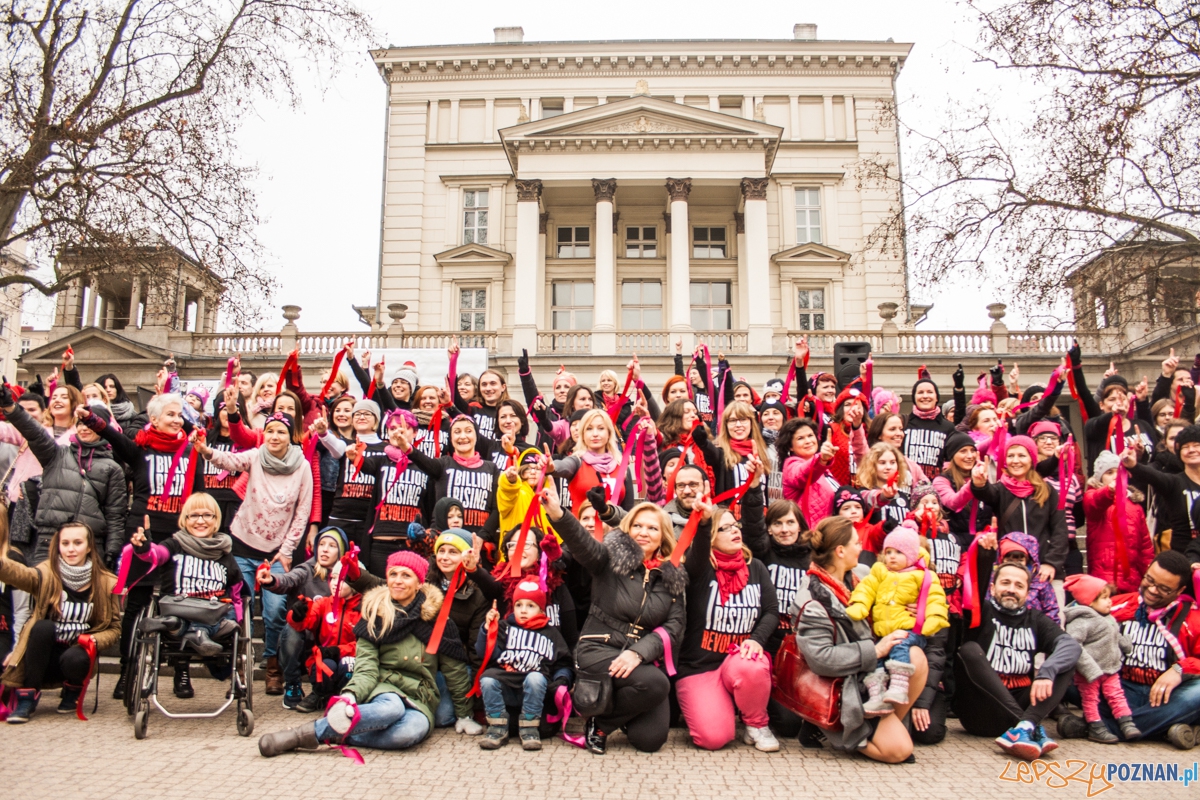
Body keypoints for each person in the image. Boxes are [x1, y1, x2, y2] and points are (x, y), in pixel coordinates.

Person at [256, 550, 475, 756]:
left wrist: (464, 715)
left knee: (408, 734)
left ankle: (342, 735)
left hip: (421, 695)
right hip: (385, 687)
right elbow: (366, 666)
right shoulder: (374, 615)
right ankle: (305, 734)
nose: (398, 580)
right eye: (393, 574)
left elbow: (453, 669)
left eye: (406, 575)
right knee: (391, 709)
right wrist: (350, 696)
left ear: (419, 583)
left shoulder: (437, 619)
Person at [542, 480, 686, 755]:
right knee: (657, 684)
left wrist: (638, 653)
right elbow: (583, 544)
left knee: (650, 740)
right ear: (628, 528)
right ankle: (602, 724)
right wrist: (558, 514)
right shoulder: (609, 557)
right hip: (598, 647)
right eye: (638, 526)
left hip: (637, 657)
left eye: (652, 528)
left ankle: (604, 716)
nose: (643, 533)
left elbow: (674, 625)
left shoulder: (673, 574)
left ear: (663, 536)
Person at [76, 393, 203, 699]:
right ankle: (127, 672)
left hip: (179, 538)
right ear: (154, 419)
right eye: (170, 415)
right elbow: (113, 436)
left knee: (179, 606)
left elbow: (198, 495)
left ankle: (181, 672)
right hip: (143, 535)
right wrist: (90, 418)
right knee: (136, 605)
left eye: (179, 415)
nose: (176, 420)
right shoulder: (141, 451)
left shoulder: (192, 451)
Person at [192, 411, 313, 696]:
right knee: (238, 611)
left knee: (273, 614)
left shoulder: (303, 467)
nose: (274, 436)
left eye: (281, 432)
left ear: (290, 436)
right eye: (269, 430)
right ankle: (239, 669)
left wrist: (286, 551)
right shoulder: (257, 456)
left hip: (275, 555)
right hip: (242, 546)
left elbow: (302, 512)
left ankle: (273, 668)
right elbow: (230, 460)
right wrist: (205, 451)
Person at [791, 516, 929, 763]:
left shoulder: (863, 574)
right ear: (840, 551)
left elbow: (904, 589)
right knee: (898, 751)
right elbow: (820, 660)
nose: (862, 548)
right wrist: (874, 651)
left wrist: (911, 609)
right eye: (857, 543)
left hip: (871, 673)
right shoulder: (811, 600)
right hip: (843, 682)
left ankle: (886, 725)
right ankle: (834, 728)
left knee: (915, 657)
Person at [676, 473, 781, 751]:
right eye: (725, 529)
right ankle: (723, 708)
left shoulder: (756, 567)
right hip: (700, 666)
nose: (735, 531)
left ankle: (756, 723)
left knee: (751, 665)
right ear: (711, 538)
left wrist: (756, 639)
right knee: (713, 739)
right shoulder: (699, 569)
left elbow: (771, 611)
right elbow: (696, 550)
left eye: (735, 526)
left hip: (740, 660)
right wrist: (706, 519)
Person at [1059, 550, 1200, 749]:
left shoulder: (1193, 618)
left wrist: (1179, 670)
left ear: (1180, 590)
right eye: (1149, 580)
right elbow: (1077, 620)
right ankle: (1164, 728)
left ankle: (1096, 727)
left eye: (1163, 588)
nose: (1152, 590)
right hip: (1117, 689)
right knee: (1067, 679)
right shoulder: (1118, 604)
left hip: (1166, 697)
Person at [953, 562, 1081, 760]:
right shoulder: (982, 611)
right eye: (1005, 583)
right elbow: (973, 589)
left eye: (1019, 586)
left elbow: (1070, 645)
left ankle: (1024, 727)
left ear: (1028, 593)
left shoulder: (1035, 619)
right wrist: (985, 554)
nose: (1011, 589)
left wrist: (1048, 670)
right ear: (993, 588)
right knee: (970, 650)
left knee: (1065, 663)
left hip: (1019, 708)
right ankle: (1027, 726)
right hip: (979, 713)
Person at [120, 494, 243, 700]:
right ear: (184, 520)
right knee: (184, 619)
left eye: (207, 515)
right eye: (193, 515)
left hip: (210, 612)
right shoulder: (174, 544)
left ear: (216, 520)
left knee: (222, 621)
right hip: (177, 605)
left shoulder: (224, 552)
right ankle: (181, 627)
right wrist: (143, 547)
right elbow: (156, 555)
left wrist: (239, 619)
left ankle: (177, 626)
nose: (200, 520)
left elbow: (237, 591)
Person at [1, 522, 119, 723]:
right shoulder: (46, 572)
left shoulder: (107, 582)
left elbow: (115, 628)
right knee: (42, 627)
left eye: (77, 543)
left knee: (76, 656)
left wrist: (92, 639)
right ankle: (27, 698)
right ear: (58, 546)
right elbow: (20, 574)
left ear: (89, 546)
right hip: (41, 656)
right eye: (65, 543)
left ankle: (72, 691)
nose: (71, 549)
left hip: (76, 655)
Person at [0, 390, 126, 568]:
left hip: (89, 545)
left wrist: (112, 551)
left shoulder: (112, 469)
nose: (83, 428)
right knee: (45, 594)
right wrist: (11, 408)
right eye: (80, 424)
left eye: (89, 424)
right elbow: (34, 432)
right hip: (49, 542)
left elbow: (115, 516)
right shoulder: (56, 454)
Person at [845, 521, 949, 715]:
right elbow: (865, 589)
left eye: (899, 552)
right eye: (889, 552)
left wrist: (932, 618)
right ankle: (877, 696)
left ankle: (899, 687)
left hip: (909, 630)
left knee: (900, 646)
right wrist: (859, 604)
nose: (892, 557)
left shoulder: (923, 576)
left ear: (911, 555)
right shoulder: (879, 571)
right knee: (876, 659)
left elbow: (936, 599)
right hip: (883, 632)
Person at [260, 526, 350, 710]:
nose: (324, 549)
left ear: (341, 551)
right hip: (303, 645)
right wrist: (271, 580)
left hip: (333, 647)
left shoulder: (351, 577)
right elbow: (287, 580)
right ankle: (292, 685)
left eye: (332, 546)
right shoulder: (306, 570)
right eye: (321, 544)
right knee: (291, 629)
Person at [476, 582, 571, 751]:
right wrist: (487, 629)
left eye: (530, 606)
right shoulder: (505, 627)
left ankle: (529, 728)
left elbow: (564, 662)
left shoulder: (551, 633)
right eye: (518, 605)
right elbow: (487, 654)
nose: (523, 610)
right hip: (507, 680)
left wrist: (562, 680)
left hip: (536, 686)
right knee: (488, 678)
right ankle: (497, 727)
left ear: (541, 610)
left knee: (535, 677)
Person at [969, 436, 1068, 584]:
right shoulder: (1000, 490)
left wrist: (1051, 563)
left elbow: (1060, 531)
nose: (1015, 461)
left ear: (1032, 459)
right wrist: (979, 482)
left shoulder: (1047, 491)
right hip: (1010, 571)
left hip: (1043, 571)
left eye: (1022, 455)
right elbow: (985, 492)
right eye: (1010, 456)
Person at [1060, 574, 1142, 743]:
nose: (1110, 601)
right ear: (1089, 601)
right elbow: (1074, 645)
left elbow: (1115, 635)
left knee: (1116, 694)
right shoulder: (1081, 621)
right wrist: (1089, 669)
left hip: (1110, 667)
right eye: (1104, 598)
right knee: (1090, 700)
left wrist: (1125, 645)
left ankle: (1126, 721)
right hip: (1090, 672)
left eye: (1109, 597)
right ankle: (1095, 726)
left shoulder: (1108, 617)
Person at [285, 574, 361, 712]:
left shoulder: (364, 608)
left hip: (351, 657)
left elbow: (365, 644)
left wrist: (338, 651)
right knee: (326, 665)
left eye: (342, 580)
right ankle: (320, 695)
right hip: (323, 656)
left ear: (356, 584)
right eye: (333, 578)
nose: (335, 583)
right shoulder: (323, 603)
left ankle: (346, 696)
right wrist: (297, 615)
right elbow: (304, 623)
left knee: (347, 664)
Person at [1083, 450, 1155, 593]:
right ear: (1100, 478)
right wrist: (1109, 491)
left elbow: (1145, 547)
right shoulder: (1093, 496)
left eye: (1119, 471)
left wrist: (1149, 575)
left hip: (1133, 579)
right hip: (1104, 580)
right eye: (1109, 473)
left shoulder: (1135, 505)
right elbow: (1094, 503)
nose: (1115, 476)